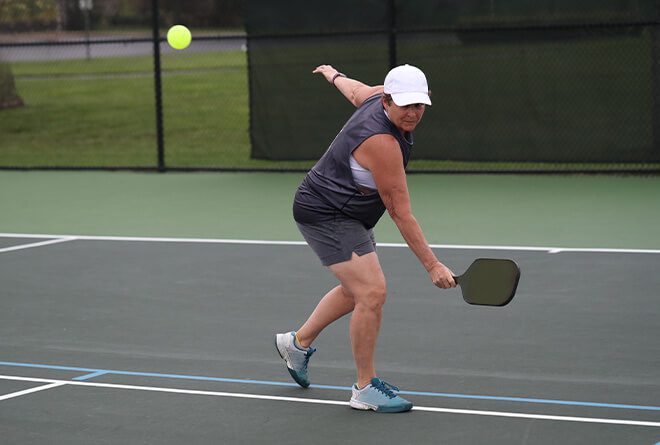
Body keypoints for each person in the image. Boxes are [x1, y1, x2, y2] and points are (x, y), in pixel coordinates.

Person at [275, 64, 456, 413]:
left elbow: (355, 90)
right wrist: (432, 265)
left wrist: (333, 75)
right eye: (406, 105)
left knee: (355, 289)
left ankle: (296, 344)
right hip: (325, 212)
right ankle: (364, 387)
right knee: (372, 292)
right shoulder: (383, 144)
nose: (414, 113)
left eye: (420, 105)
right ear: (387, 100)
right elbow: (400, 211)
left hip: (350, 212)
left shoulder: (374, 96)